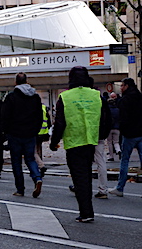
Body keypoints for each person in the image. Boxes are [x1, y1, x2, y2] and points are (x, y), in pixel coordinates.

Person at [50, 67, 104, 222]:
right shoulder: (95, 95)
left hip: (74, 142)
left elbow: (59, 123)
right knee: (86, 175)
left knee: (79, 178)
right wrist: (101, 136)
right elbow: (104, 117)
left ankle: (86, 212)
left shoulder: (65, 97)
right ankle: (88, 211)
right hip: (90, 141)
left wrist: (54, 143)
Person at [2, 73, 43, 197]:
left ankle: (20, 189)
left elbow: (5, 116)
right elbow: (39, 116)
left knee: (16, 161)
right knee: (30, 158)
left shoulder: (11, 97)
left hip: (15, 133)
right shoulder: (35, 97)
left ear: (16, 82)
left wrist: (6, 131)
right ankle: (37, 178)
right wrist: (35, 130)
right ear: (26, 81)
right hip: (30, 133)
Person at [109, 78, 142, 197]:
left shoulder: (125, 100)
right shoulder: (140, 97)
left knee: (125, 161)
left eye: (122, 86)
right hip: (141, 133)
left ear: (127, 86)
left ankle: (120, 188)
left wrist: (124, 131)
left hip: (129, 135)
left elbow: (123, 118)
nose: (121, 88)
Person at [34, 103, 52, 177]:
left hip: (35, 132)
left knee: (33, 151)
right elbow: (49, 121)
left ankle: (41, 165)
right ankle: (40, 166)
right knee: (39, 149)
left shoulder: (32, 107)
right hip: (43, 132)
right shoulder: (44, 107)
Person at [106, 92, 121, 161]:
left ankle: (111, 156)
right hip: (117, 128)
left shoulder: (107, 111)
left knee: (109, 142)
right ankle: (118, 150)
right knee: (116, 142)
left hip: (109, 128)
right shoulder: (118, 110)